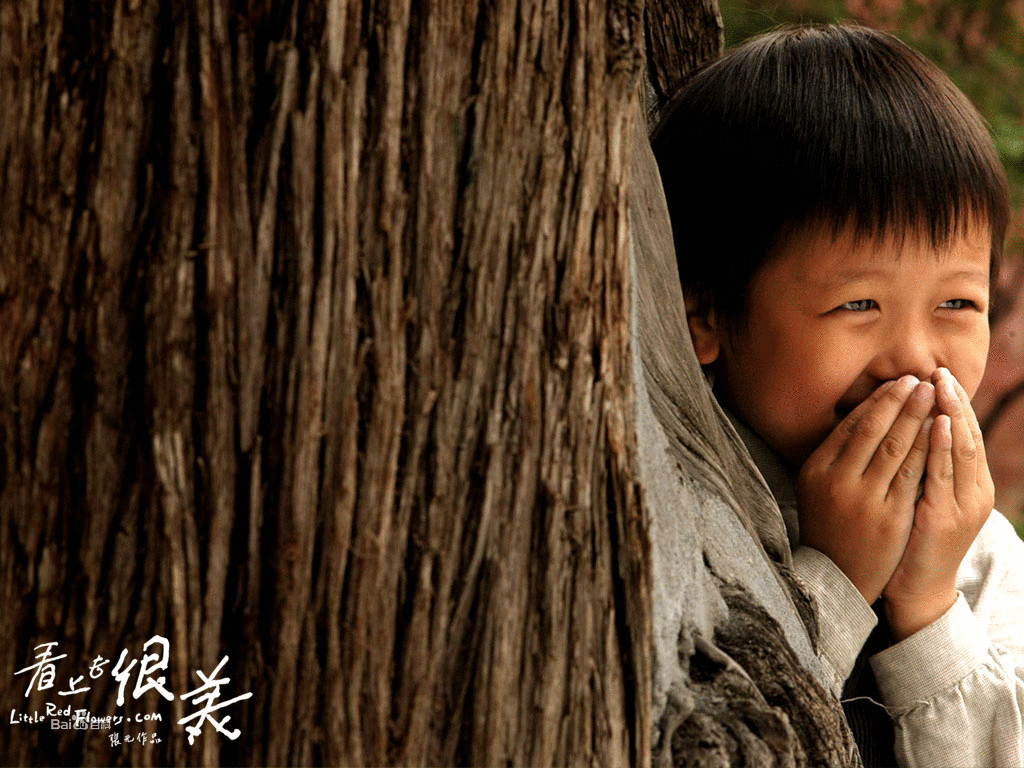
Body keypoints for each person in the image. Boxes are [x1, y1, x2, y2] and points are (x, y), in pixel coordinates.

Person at [651, 24, 1024, 767]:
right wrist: (839, 579)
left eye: (957, 305)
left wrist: (929, 610)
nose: (915, 359)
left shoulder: (977, 551)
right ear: (706, 319)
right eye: (858, 306)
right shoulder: (678, 511)